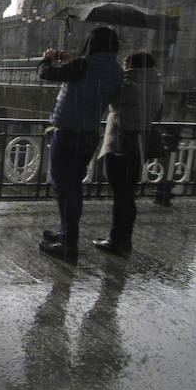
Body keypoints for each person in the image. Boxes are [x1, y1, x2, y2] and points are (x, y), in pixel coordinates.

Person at [38, 26, 123, 262]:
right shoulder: (116, 71)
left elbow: (47, 74)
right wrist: (72, 62)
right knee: (73, 187)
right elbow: (91, 83)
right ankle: (67, 234)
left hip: (68, 133)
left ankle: (69, 244)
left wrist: (46, 60)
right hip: (88, 134)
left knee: (64, 188)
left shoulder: (84, 65)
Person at [95, 50, 163, 256]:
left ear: (131, 66)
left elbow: (109, 99)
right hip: (140, 143)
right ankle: (125, 240)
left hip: (121, 143)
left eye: (125, 65)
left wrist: (117, 76)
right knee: (128, 194)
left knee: (120, 194)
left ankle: (117, 241)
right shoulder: (157, 85)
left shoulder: (129, 84)